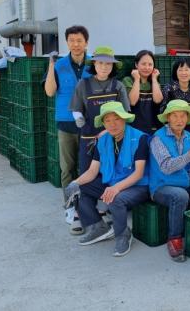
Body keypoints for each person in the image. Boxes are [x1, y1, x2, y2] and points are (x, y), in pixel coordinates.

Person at [64, 102, 150, 257]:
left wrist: (116, 188)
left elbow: (138, 174)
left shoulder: (139, 138)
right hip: (112, 182)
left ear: (124, 119)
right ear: (103, 123)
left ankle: (123, 235)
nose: (112, 124)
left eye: (116, 119)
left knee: (116, 199)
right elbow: (92, 171)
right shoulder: (103, 140)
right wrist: (75, 182)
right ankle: (98, 227)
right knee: (79, 189)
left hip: (137, 185)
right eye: (107, 120)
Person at [44, 25, 91, 234]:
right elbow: (49, 91)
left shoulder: (93, 63)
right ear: (67, 43)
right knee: (68, 168)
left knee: (88, 168)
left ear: (86, 42)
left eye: (79, 40)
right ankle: (71, 207)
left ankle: (88, 207)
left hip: (89, 124)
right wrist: (50, 65)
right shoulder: (59, 64)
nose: (75, 44)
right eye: (71, 40)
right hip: (66, 123)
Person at [149, 100, 190, 262]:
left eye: (183, 116)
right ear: (168, 118)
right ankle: (174, 238)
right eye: (174, 116)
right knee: (180, 196)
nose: (179, 120)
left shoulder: (189, 137)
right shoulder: (158, 138)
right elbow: (166, 167)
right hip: (161, 186)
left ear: (187, 118)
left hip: (184, 183)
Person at [70, 47, 130, 178]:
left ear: (113, 66)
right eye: (100, 63)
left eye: (108, 63)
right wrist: (80, 121)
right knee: (87, 174)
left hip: (113, 137)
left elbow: (125, 113)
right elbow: (76, 109)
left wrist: (108, 131)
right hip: (89, 138)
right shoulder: (83, 85)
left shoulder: (118, 86)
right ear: (94, 64)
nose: (104, 67)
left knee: (112, 174)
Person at [160, 58, 190, 140]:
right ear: (175, 72)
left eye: (187, 70)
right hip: (172, 130)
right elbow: (162, 110)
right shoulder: (169, 88)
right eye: (180, 70)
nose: (183, 73)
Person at [123, 50, 163, 135]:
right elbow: (132, 101)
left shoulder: (155, 82)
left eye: (150, 64)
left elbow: (158, 100)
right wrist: (137, 79)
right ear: (136, 64)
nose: (147, 67)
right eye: (143, 64)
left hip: (152, 127)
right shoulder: (128, 80)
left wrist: (154, 79)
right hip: (133, 128)